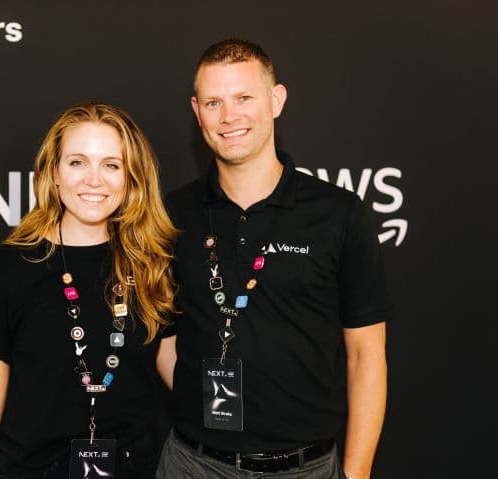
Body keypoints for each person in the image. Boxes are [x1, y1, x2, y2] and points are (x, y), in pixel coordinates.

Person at [155, 38, 391, 479]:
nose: (229, 117)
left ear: (276, 100)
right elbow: (163, 343)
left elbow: (366, 357)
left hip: (307, 468)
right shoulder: (171, 217)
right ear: (196, 111)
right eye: (213, 102)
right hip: (190, 464)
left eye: (244, 97)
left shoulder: (340, 214)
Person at [0, 102, 176, 479]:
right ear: (54, 173)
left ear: (131, 178)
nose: (94, 179)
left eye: (111, 165)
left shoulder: (152, 265)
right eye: (78, 162)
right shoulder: (8, 270)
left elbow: (182, 379)